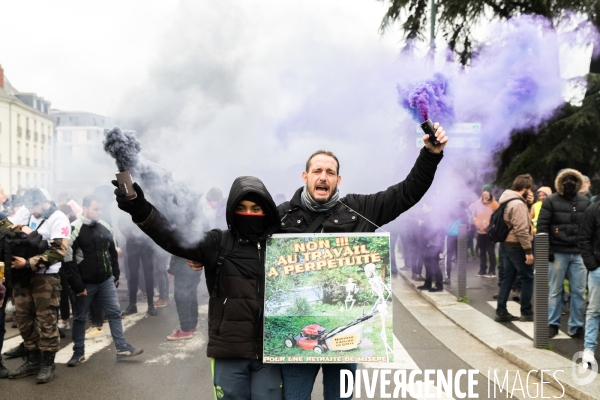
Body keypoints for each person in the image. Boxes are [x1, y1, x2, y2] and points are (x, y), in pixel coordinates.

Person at [274, 123, 447, 399]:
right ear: (305, 177)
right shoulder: (281, 216)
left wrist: (430, 154)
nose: (323, 176)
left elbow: (406, 193)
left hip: (342, 334)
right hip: (299, 332)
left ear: (338, 180)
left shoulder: (358, 210)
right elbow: (244, 244)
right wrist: (200, 256)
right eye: (317, 171)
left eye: (330, 172)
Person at [115, 176, 283, 400]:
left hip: (269, 354)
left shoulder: (281, 246)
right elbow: (174, 238)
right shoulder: (218, 243)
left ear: (267, 210)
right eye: (241, 208)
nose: (249, 214)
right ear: (231, 209)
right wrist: (139, 208)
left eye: (256, 208)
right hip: (228, 352)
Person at [63, 195, 143, 366]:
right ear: (84, 208)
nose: (99, 212)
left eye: (100, 209)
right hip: (85, 284)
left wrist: (115, 275)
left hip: (106, 281)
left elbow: (113, 253)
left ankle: (121, 347)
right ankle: (78, 353)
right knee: (79, 318)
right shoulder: (74, 229)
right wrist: (77, 285)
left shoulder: (105, 227)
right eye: (95, 209)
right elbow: (68, 261)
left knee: (114, 313)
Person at [7, 188, 70, 383]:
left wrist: (28, 263)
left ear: (43, 202)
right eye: (28, 207)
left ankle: (47, 363)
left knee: (46, 320)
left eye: (34, 207)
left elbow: (58, 251)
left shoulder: (58, 218)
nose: (31, 212)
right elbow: (9, 226)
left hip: (45, 277)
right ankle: (32, 360)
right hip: (22, 276)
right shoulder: (26, 211)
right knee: (24, 320)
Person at [537, 169, 590, 338]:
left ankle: (576, 325)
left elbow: (590, 228)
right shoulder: (551, 201)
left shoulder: (585, 202)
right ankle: (553, 323)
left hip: (579, 253)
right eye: (566, 180)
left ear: (578, 183)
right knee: (555, 290)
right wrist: (548, 251)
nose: (569, 183)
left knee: (579, 291)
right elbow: (542, 227)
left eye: (573, 180)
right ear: (560, 182)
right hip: (558, 252)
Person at [495, 174, 535, 322]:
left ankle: (501, 311)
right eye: (529, 190)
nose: (530, 193)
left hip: (506, 244)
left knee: (508, 278)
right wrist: (528, 251)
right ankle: (526, 312)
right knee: (528, 278)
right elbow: (521, 229)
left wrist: (529, 205)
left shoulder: (508, 199)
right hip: (517, 246)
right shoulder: (517, 204)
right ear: (524, 188)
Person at [577, 196, 600, 368]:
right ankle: (589, 351)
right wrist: (592, 265)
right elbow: (584, 238)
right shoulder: (593, 209)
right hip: (598, 268)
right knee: (595, 309)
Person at [167, 255, 202, 340]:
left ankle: (185, 330)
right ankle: (192, 326)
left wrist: (172, 270)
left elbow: (178, 251)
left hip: (184, 270)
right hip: (196, 267)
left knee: (182, 298)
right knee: (192, 296)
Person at [473, 184, 499, 278]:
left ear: (490, 192)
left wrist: (492, 226)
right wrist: (476, 222)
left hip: (490, 232)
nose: (485, 193)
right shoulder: (477, 203)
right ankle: (482, 270)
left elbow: (497, 217)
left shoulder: (494, 204)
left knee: (491, 251)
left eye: (487, 191)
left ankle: (492, 271)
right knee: (482, 251)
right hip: (480, 231)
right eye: (484, 191)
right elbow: (474, 215)